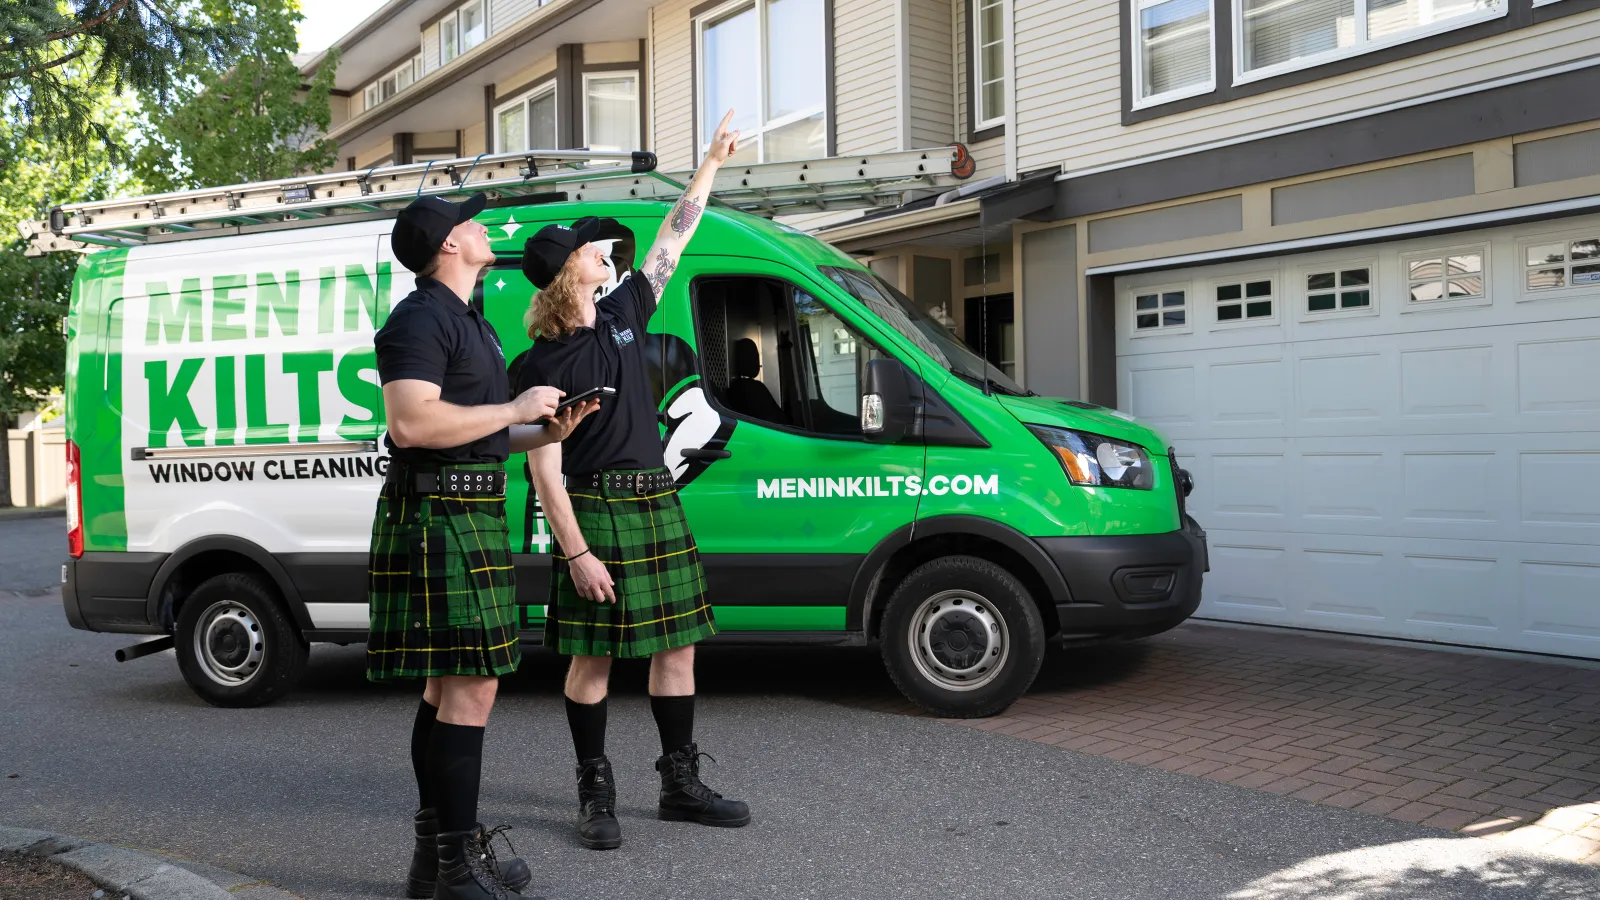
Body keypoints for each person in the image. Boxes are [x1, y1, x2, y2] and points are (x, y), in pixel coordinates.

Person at [514, 110, 749, 851]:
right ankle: (595, 791)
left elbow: (675, 239)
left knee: (676, 649)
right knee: (593, 661)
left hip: (655, 503)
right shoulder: (539, 367)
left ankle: (678, 784)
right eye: (593, 249)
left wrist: (709, 162)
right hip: (595, 511)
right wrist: (577, 552)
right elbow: (544, 468)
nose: (607, 253)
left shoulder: (623, 311)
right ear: (568, 269)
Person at [368, 192, 598, 899]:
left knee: (448, 688)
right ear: (447, 246)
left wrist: (543, 433)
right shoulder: (417, 320)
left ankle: (437, 859)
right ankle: (455, 869)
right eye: (471, 224)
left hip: (469, 508)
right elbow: (411, 425)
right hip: (438, 514)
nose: (484, 229)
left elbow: (473, 427)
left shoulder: (472, 320)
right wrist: (514, 408)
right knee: (472, 687)